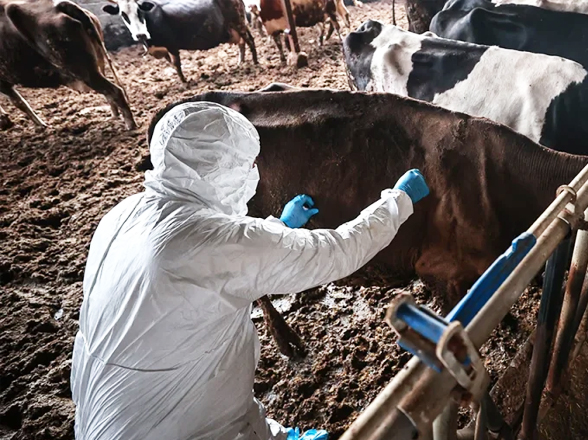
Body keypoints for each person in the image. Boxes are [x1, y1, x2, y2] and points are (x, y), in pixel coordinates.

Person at [70, 101, 430, 440]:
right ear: (220, 167)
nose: (252, 172)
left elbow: (216, 261)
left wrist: (280, 227)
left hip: (105, 417)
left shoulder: (123, 214)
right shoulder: (211, 241)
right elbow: (338, 250)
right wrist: (397, 201)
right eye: (244, 163)